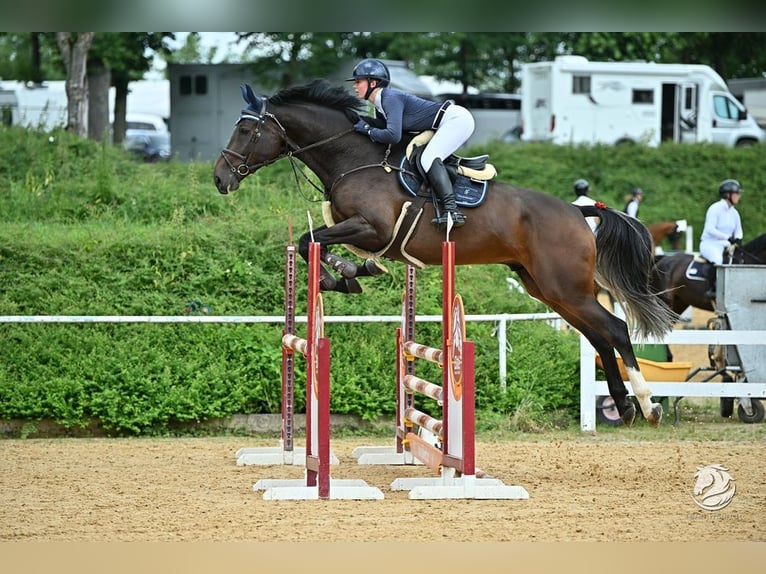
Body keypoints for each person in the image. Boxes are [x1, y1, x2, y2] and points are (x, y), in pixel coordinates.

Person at [347, 58, 475, 228]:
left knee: (428, 158)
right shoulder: (379, 106)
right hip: (446, 122)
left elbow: (393, 136)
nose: (354, 86)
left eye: (358, 81)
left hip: (456, 120)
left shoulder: (389, 97)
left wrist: (367, 130)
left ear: (373, 82)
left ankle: (452, 211)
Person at [699, 178, 744, 298]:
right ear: (727, 195)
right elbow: (710, 229)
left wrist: (738, 239)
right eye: (737, 194)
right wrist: (728, 238)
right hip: (710, 244)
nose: (739, 196)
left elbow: (738, 230)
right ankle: (712, 289)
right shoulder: (715, 208)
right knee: (718, 261)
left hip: (726, 245)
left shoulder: (734, 213)